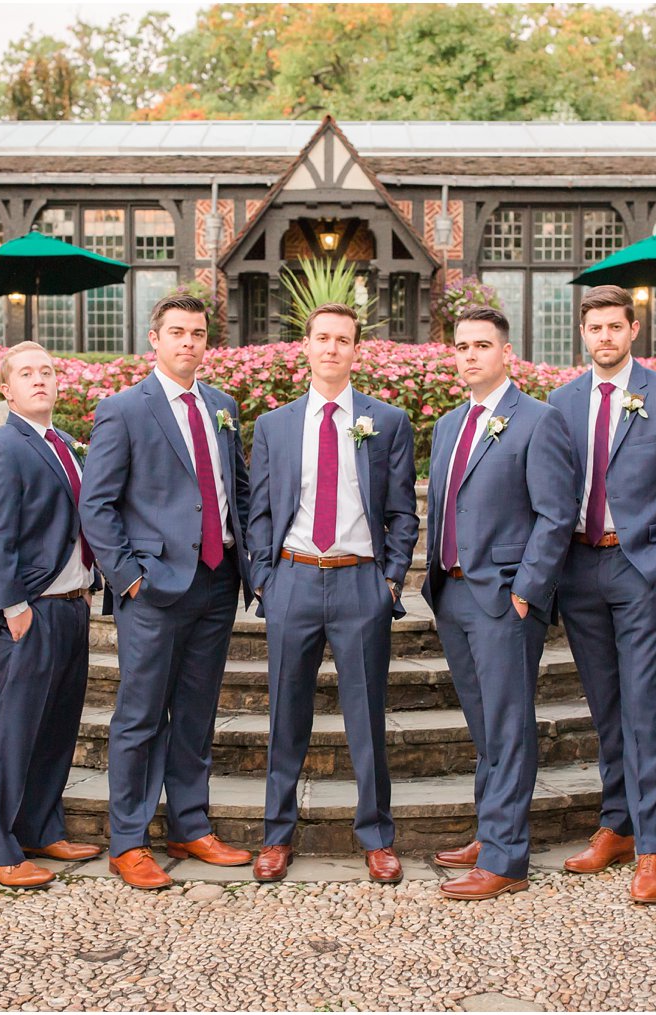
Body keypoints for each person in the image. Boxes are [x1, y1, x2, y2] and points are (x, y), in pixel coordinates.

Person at [79, 294, 254, 890]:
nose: (188, 342)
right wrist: (129, 577)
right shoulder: (124, 409)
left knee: (197, 713)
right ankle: (128, 841)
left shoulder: (222, 406)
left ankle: (190, 823)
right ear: (154, 338)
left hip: (216, 581)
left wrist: (249, 566)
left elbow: (238, 490)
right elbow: (96, 505)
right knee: (140, 715)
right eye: (176, 332)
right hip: (153, 588)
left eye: (198, 333)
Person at [547, 285, 656, 905]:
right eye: (595, 329)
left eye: (615, 327)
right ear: (583, 333)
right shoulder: (559, 403)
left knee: (643, 709)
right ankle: (616, 825)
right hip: (580, 570)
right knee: (605, 706)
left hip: (640, 567)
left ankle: (652, 849)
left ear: (632, 330)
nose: (605, 338)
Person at [247, 302, 419, 884]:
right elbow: (260, 511)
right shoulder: (273, 425)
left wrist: (389, 580)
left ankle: (376, 836)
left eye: (343, 340)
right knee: (283, 714)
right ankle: (276, 836)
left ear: (355, 350)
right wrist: (264, 580)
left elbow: (402, 512)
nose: (331, 349)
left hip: (359, 580)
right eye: (322, 338)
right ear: (307, 346)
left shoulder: (387, 421)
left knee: (367, 716)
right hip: (292, 578)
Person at [421, 306, 576, 900]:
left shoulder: (538, 421)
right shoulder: (448, 425)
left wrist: (525, 592)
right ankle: (491, 831)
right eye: (461, 346)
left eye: (481, 345)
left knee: (509, 726)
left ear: (504, 353)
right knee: (485, 726)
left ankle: (507, 858)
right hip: (453, 592)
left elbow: (555, 514)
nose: (469, 355)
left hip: (504, 597)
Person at [0, 342, 104, 889]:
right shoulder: (1, 447)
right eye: (26, 373)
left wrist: (87, 585)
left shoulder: (65, 444)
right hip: (29, 612)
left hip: (71, 605)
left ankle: (40, 828)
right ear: (6, 389)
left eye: (47, 371)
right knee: (17, 729)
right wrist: (14, 606)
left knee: (57, 727)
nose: (40, 380)